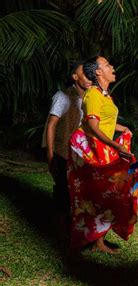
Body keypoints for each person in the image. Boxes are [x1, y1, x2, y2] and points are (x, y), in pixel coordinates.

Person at [67, 56, 138, 253]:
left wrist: (121, 128)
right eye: (108, 65)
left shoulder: (105, 95)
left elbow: (104, 121)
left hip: (101, 146)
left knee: (108, 193)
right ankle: (89, 238)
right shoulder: (93, 94)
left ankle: (97, 240)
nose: (113, 67)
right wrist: (116, 146)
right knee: (98, 193)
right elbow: (92, 127)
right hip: (88, 148)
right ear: (98, 72)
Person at [43, 62, 91, 218]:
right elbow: (51, 125)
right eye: (84, 73)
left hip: (80, 154)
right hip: (62, 152)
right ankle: (57, 230)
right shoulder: (62, 97)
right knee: (63, 192)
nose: (89, 77)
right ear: (75, 77)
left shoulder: (90, 99)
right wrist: (50, 155)